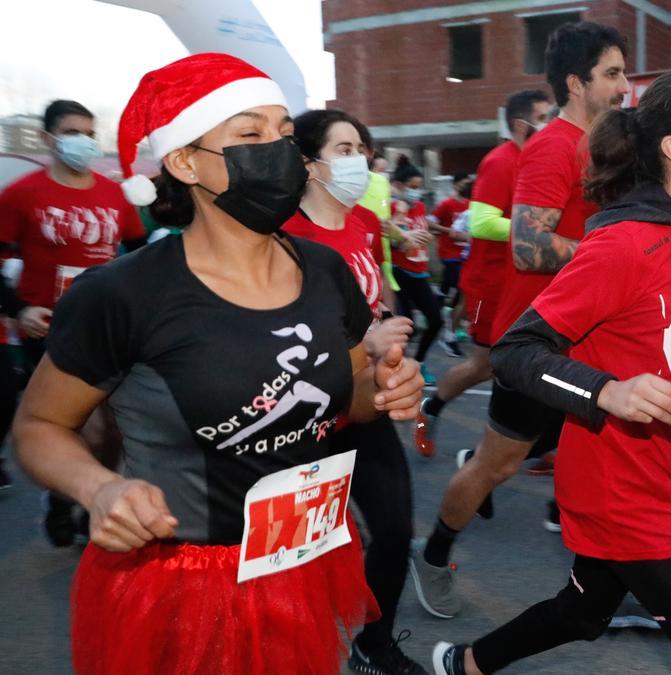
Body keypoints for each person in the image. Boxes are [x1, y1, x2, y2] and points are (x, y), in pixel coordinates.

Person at [11, 53, 424, 675]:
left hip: (299, 561)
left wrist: (388, 388)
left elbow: (349, 400)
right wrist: (99, 487)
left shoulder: (325, 271)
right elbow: (38, 428)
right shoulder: (124, 294)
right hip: (179, 584)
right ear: (183, 161)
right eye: (249, 134)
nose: (279, 150)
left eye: (284, 132)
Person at [431, 67, 671, 675]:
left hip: (664, 471)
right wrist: (607, 390)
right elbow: (516, 352)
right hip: (615, 482)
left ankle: (461, 664)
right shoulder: (624, 244)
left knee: (583, 611)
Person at [409, 21, 630, 620]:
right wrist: (612, 253)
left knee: (605, 456)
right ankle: (431, 556)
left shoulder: (607, 144)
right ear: (575, 82)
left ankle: (611, 585)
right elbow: (528, 247)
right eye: (612, 74)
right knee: (498, 463)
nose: (624, 85)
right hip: (537, 341)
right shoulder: (554, 146)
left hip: (589, 336)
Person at [284, 108, 426, 674]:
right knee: (298, 552)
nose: (358, 160)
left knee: (393, 531)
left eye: (361, 148)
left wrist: (389, 336)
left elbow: (377, 296)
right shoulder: (287, 236)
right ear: (309, 164)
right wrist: (364, 341)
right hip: (307, 415)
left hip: (366, 406)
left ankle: (374, 644)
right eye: (343, 149)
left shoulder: (365, 222)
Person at [0, 99, 147, 546]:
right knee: (71, 423)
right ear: (48, 139)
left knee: (115, 425)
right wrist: (19, 309)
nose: (82, 141)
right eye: (71, 132)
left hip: (110, 325)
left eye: (88, 132)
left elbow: (141, 251)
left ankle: (89, 494)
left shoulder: (112, 192)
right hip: (52, 326)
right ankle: (67, 498)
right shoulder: (21, 194)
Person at [414, 89, 552, 458]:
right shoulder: (501, 161)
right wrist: (538, 233)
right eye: (546, 116)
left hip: (524, 284)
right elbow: (482, 223)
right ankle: (434, 409)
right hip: (490, 286)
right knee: (487, 363)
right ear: (523, 125)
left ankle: (531, 450)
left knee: (524, 364)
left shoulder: (542, 160)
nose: (553, 122)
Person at [390, 171, 443, 385]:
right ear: (399, 185)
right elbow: (392, 243)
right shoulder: (393, 208)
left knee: (436, 321)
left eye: (419, 186)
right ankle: (397, 367)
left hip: (420, 272)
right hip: (399, 272)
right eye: (412, 186)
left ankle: (419, 363)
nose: (416, 191)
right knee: (406, 325)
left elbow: (423, 232)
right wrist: (405, 241)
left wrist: (425, 238)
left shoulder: (420, 207)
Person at [431, 174, 472, 358]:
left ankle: (453, 324)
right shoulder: (451, 206)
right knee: (458, 292)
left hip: (472, 260)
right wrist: (462, 235)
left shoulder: (472, 208)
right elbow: (433, 225)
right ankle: (448, 331)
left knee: (464, 297)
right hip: (452, 255)